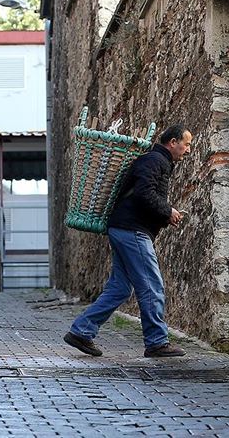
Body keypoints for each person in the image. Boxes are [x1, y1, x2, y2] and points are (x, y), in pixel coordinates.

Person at [64, 125, 193, 358]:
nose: (188, 150)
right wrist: (168, 211)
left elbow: (144, 195)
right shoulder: (155, 161)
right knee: (152, 285)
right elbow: (145, 194)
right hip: (133, 231)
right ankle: (156, 341)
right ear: (173, 142)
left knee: (120, 288)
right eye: (187, 144)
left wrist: (164, 215)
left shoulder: (156, 161)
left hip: (123, 228)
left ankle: (81, 331)